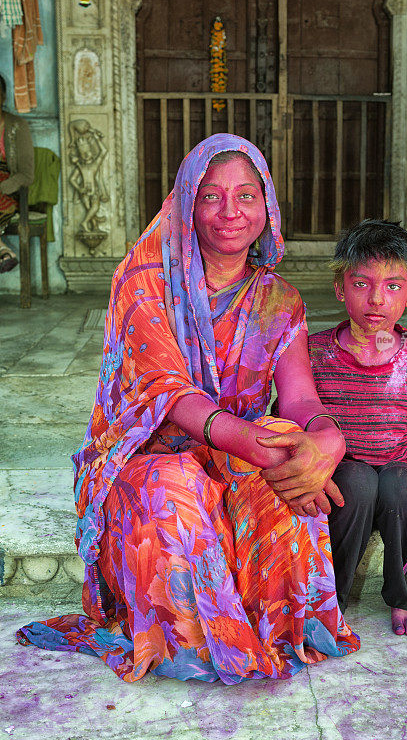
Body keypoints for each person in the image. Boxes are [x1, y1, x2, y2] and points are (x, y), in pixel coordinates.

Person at [17, 134, 360, 683]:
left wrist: (325, 443)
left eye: (247, 196)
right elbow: (170, 393)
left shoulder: (280, 300)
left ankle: (279, 627)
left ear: (267, 205)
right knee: (180, 482)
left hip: (233, 450)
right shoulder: (143, 283)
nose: (231, 213)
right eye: (211, 196)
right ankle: (197, 640)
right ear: (185, 205)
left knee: (288, 461)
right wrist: (256, 446)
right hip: (146, 456)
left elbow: (299, 401)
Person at [308, 220, 407, 637]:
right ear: (340, 288)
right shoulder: (314, 352)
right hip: (342, 470)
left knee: (404, 488)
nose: (376, 300)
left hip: (398, 468)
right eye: (361, 284)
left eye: (393, 287)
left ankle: (403, 591)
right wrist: (308, 478)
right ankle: (328, 598)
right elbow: (289, 419)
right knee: (355, 483)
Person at [0, 73, 34, 273]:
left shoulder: (17, 126)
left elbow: (26, 174)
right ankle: (4, 251)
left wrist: (2, 187)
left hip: (7, 189)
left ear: (3, 97)